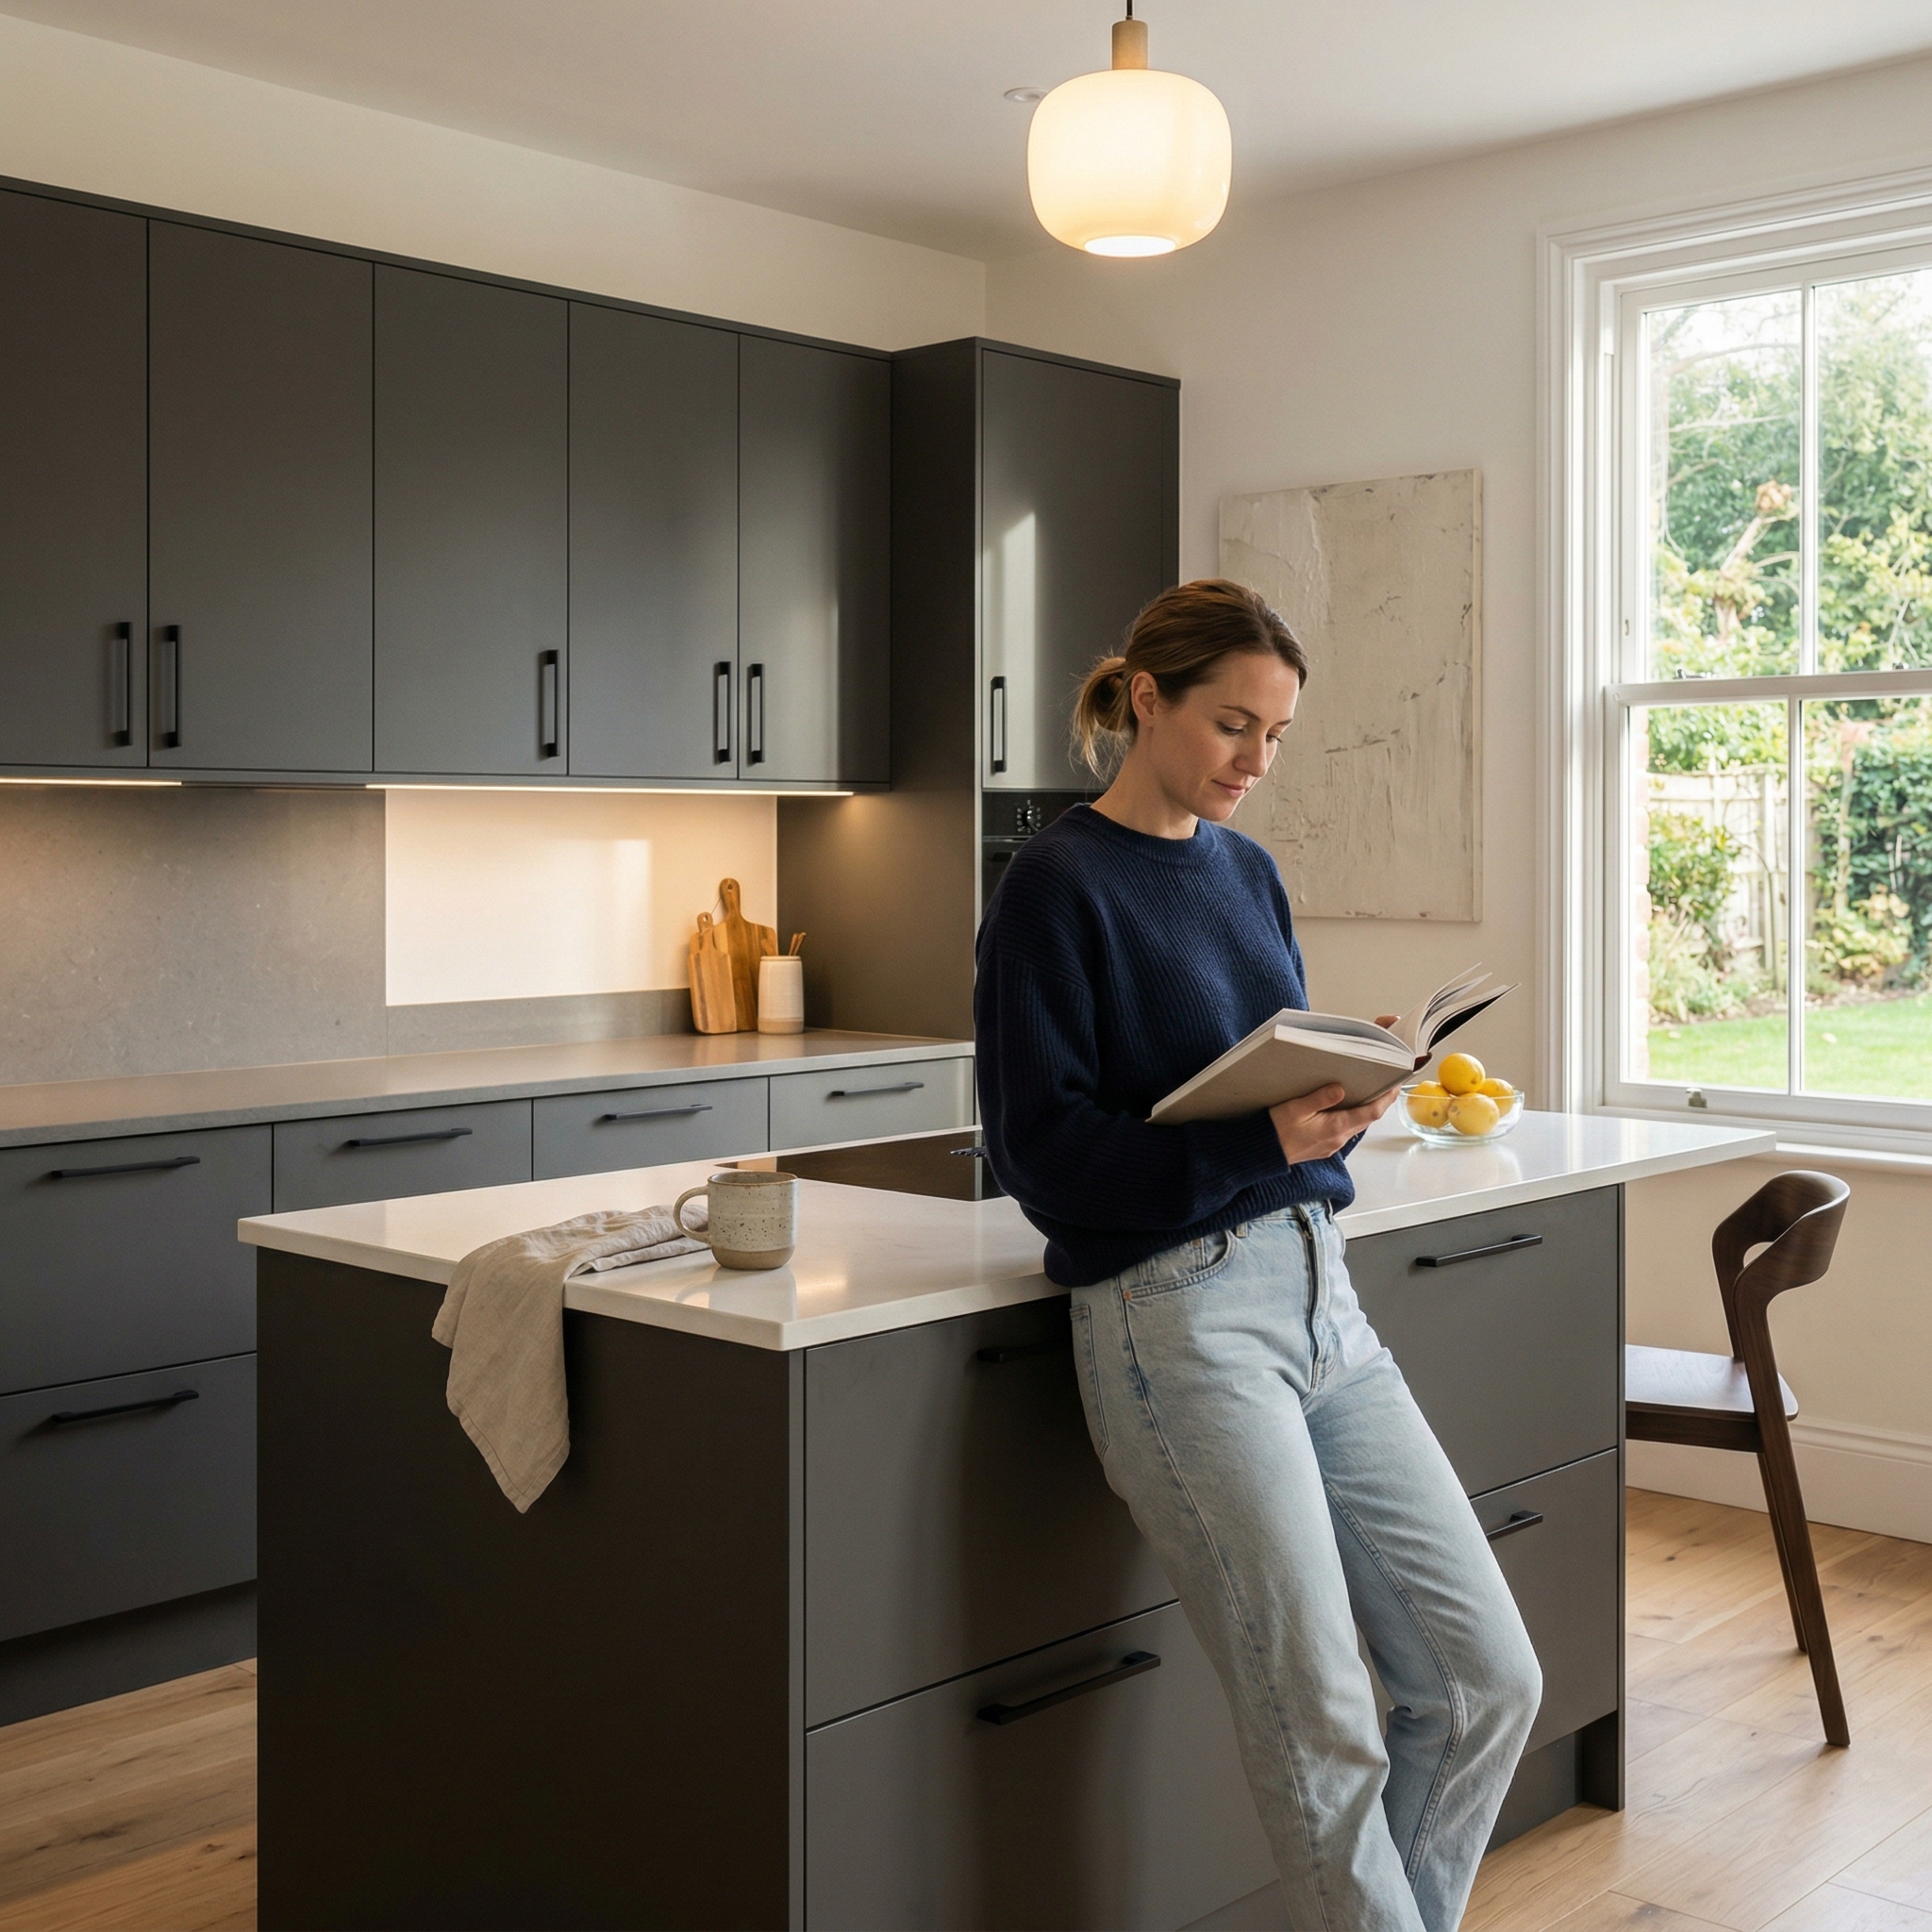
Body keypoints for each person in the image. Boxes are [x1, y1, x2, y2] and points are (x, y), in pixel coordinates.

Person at [974, 578, 1541, 1932]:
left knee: (1484, 1683)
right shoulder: (1053, 886)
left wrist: (1348, 1097)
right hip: (1176, 1329)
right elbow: (1040, 1158)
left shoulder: (1248, 874)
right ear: (1146, 700)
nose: (1256, 760)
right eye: (1234, 724)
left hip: (1320, 1302)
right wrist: (1269, 1142)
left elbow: (1260, 1107)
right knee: (1325, 1726)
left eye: (1276, 734)